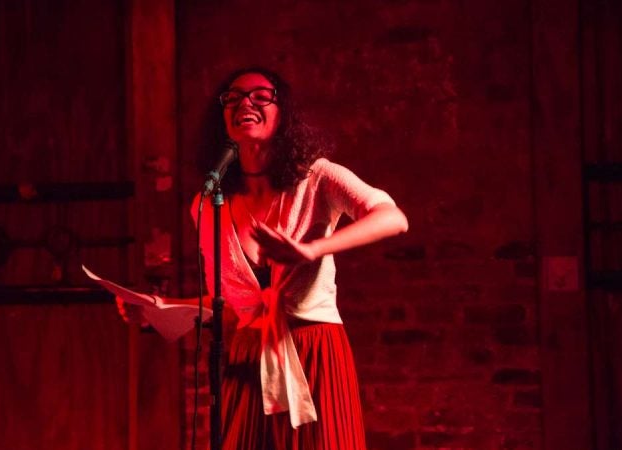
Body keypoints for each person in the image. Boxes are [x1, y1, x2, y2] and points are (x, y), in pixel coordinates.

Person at [118, 67, 408, 449]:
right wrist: (162, 307)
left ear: (282, 111)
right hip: (248, 359)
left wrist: (312, 249)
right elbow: (236, 308)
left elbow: (392, 217)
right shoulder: (209, 203)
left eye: (260, 96)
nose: (245, 104)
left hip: (313, 349)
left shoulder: (317, 177)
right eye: (233, 98)